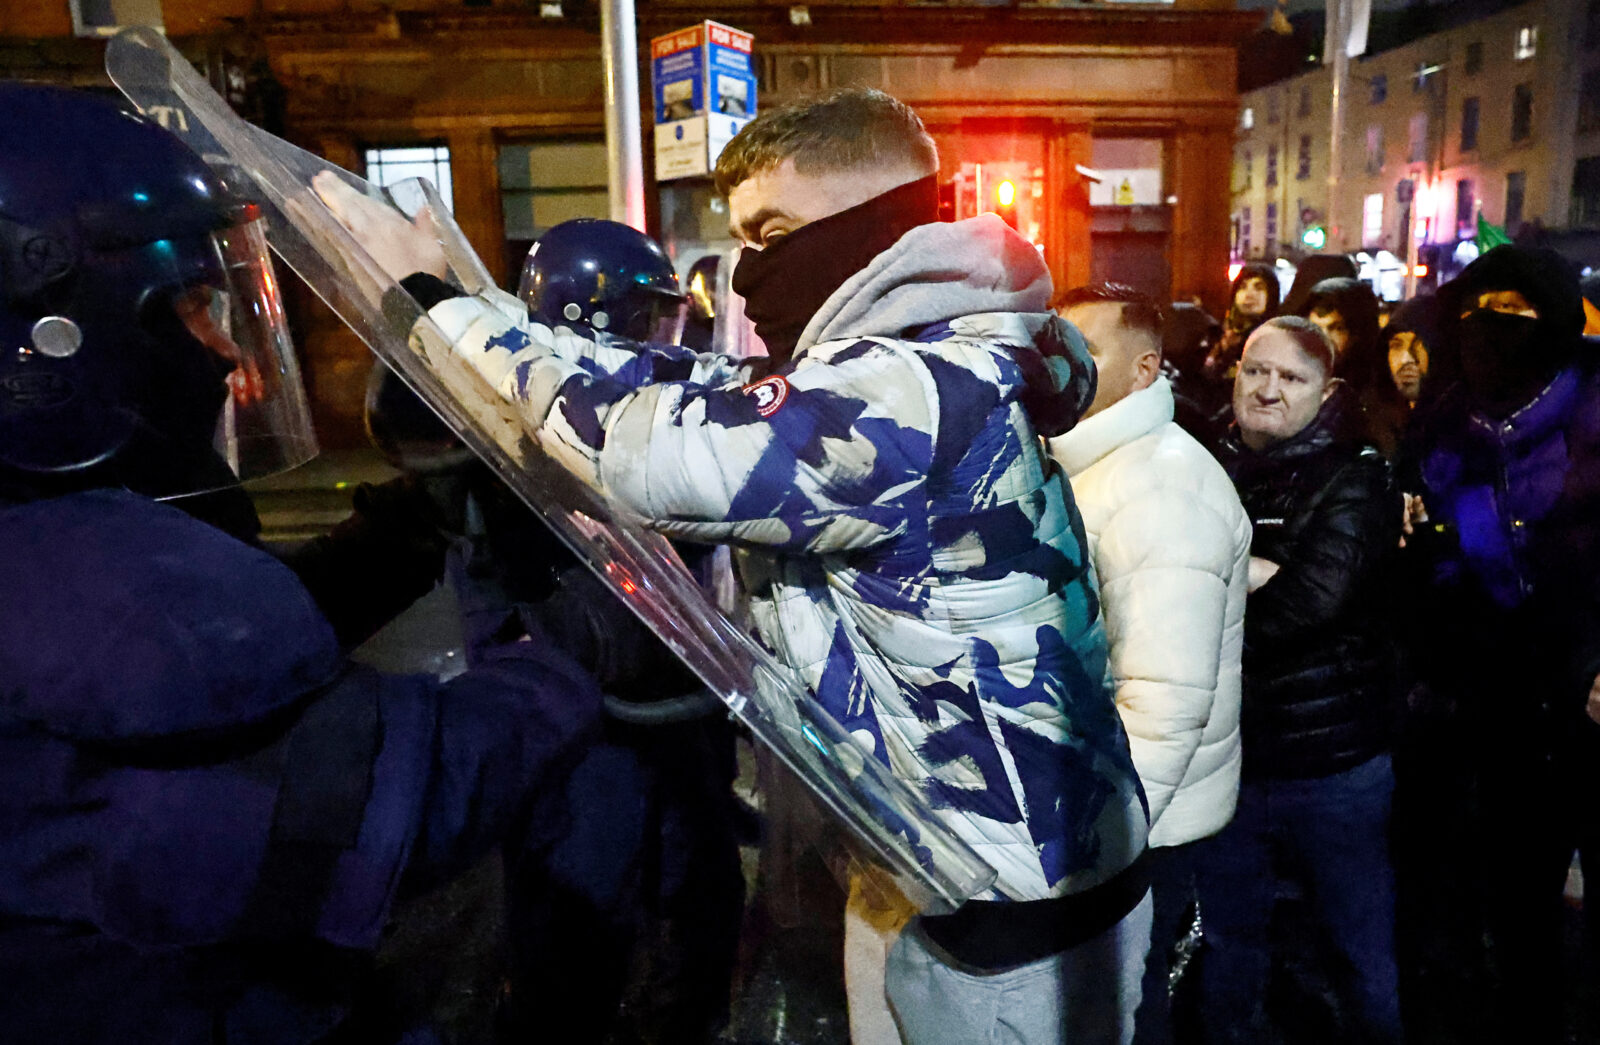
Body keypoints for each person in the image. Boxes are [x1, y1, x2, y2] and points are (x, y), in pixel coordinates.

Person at [320, 86, 1151, 1044]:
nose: (751, 271)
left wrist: (436, 306)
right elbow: (670, 381)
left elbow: (643, 452)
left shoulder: (912, 389)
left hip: (1014, 912)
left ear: (877, 223)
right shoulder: (912, 358)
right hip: (967, 870)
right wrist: (485, 313)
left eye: (775, 230)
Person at [0, 82, 607, 1045]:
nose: (224, 349)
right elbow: (400, 797)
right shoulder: (97, 591)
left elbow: (246, 670)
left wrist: (406, 531)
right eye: (196, 307)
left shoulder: (43, 542)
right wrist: (571, 646)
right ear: (53, 336)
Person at [1045, 284, 1250, 1045]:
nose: (1061, 366)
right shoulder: (1094, 465)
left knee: (1128, 1009)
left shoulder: (1159, 485)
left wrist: (1108, 841)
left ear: (1143, 369)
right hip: (1102, 810)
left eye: (1085, 351)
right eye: (1053, 346)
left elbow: (1164, 701)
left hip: (1141, 829)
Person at [1405, 244, 1600, 1044]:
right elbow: (1430, 543)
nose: (1492, 333)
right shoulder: (1448, 418)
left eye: (1516, 316)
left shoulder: (1593, 406)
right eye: (1478, 316)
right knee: (1521, 914)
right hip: (1505, 717)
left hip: (1592, 703)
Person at [1197, 317, 1404, 1045]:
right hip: (1233, 758)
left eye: (1292, 378)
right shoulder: (1205, 460)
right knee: (1229, 946)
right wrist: (1249, 573)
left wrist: (1213, 591)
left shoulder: (1358, 476)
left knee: (1359, 949)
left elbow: (1311, 602)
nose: (1269, 389)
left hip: (1332, 763)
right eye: (1257, 370)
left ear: (1328, 390)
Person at [1302, 277, 1410, 457]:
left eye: (1337, 328)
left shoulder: (1380, 399)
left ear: (1358, 334)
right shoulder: (1295, 385)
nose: (1322, 340)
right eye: (1315, 328)